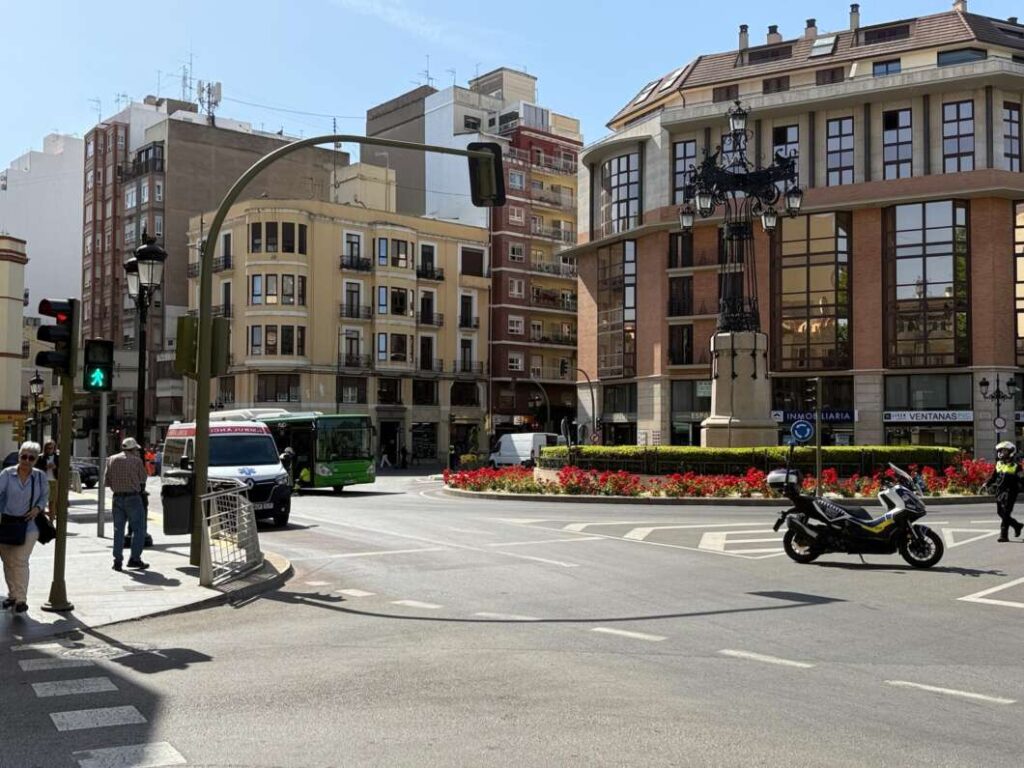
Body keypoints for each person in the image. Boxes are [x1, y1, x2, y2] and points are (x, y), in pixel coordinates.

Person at [0, 442, 51, 613]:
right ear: (19, 456)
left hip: (29, 525)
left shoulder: (40, 476)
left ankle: (21, 599)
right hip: (6, 524)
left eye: (31, 458)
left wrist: (37, 508)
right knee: (8, 562)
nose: (27, 461)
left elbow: (44, 495)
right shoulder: (7, 474)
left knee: (20, 561)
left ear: (36, 459)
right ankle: (13, 595)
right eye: (24, 456)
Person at [106, 437, 150, 571]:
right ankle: (134, 559)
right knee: (139, 529)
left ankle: (117, 561)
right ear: (133, 449)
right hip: (133, 498)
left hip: (117, 498)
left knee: (118, 530)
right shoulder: (136, 461)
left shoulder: (111, 459)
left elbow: (106, 481)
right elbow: (143, 478)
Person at [984, 441, 1024, 543]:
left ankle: (1003, 535)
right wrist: (986, 483)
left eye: (1005, 450)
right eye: (1001, 450)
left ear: (1011, 452)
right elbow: (993, 477)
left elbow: (1022, 479)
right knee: (1000, 512)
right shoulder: (999, 464)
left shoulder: (1016, 466)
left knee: (1006, 513)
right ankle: (1016, 525)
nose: (1002, 453)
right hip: (999, 491)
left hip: (1011, 492)